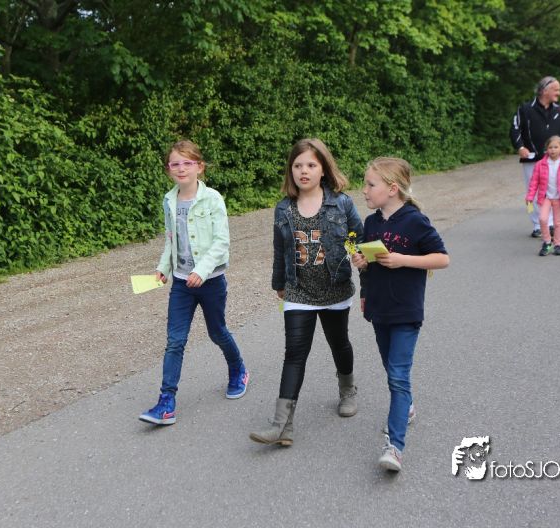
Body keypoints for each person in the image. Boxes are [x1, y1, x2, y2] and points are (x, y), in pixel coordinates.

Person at [249, 138, 363, 447]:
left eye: (311, 165)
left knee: (339, 343)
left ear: (323, 169)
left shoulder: (341, 203)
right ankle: (282, 425)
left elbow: (357, 238)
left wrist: (361, 265)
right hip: (298, 291)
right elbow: (279, 249)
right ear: (291, 170)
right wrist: (279, 284)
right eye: (298, 165)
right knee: (294, 353)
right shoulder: (283, 208)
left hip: (335, 289)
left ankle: (347, 389)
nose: (304, 171)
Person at [139, 140, 248, 425]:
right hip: (180, 283)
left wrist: (201, 270)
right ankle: (166, 402)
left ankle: (238, 369)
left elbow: (221, 241)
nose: (181, 168)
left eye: (187, 163)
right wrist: (163, 268)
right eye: (175, 164)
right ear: (168, 170)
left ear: (199, 167)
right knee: (175, 341)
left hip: (210, 281)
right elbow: (171, 240)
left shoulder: (212, 198)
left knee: (217, 332)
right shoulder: (169, 200)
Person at [352, 157, 449, 472]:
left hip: (406, 311)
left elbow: (441, 258)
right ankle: (406, 407)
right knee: (391, 368)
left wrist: (402, 260)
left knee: (397, 375)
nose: (364, 190)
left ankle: (394, 446)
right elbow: (370, 261)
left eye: (370, 184)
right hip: (379, 308)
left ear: (392, 189)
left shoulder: (415, 221)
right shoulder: (371, 222)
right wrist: (363, 265)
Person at [510, 76, 560, 238]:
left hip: (554, 159)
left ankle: (549, 223)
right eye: (556, 90)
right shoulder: (525, 109)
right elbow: (515, 128)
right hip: (531, 158)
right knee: (533, 192)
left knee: (551, 190)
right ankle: (537, 224)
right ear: (544, 91)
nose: (559, 93)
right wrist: (520, 146)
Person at [525, 136, 560, 256]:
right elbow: (534, 182)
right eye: (550, 147)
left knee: (558, 222)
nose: (553, 150)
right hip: (546, 197)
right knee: (542, 219)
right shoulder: (540, 164)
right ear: (546, 149)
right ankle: (547, 242)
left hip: (559, 198)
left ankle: (558, 244)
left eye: (556, 147)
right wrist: (529, 197)